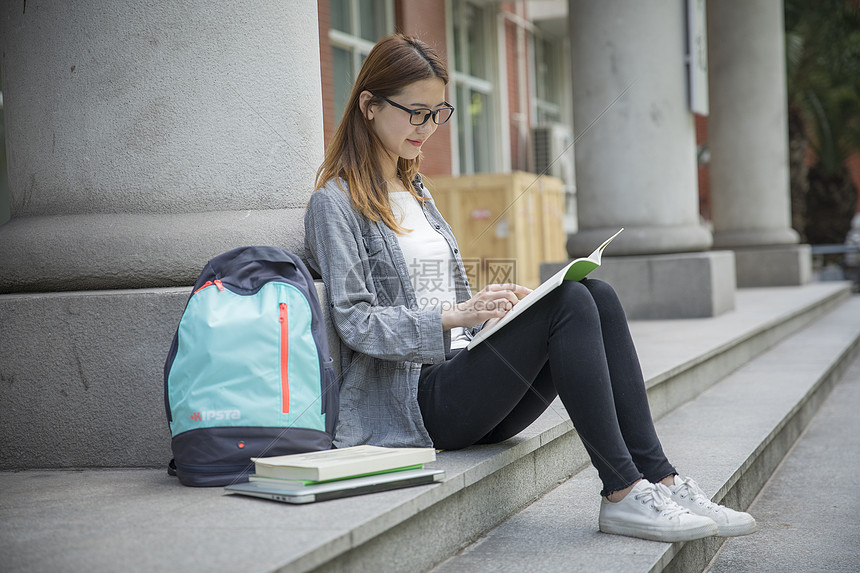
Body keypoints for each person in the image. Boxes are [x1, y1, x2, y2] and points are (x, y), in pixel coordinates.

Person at [304, 33, 756, 543]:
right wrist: (457, 316)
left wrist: (497, 312)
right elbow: (355, 320)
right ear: (368, 104)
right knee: (567, 304)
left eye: (437, 113)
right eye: (415, 112)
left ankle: (662, 480)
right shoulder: (334, 203)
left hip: (461, 377)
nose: (427, 128)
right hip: (416, 405)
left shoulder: (417, 191)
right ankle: (623, 493)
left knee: (595, 295)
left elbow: (438, 294)